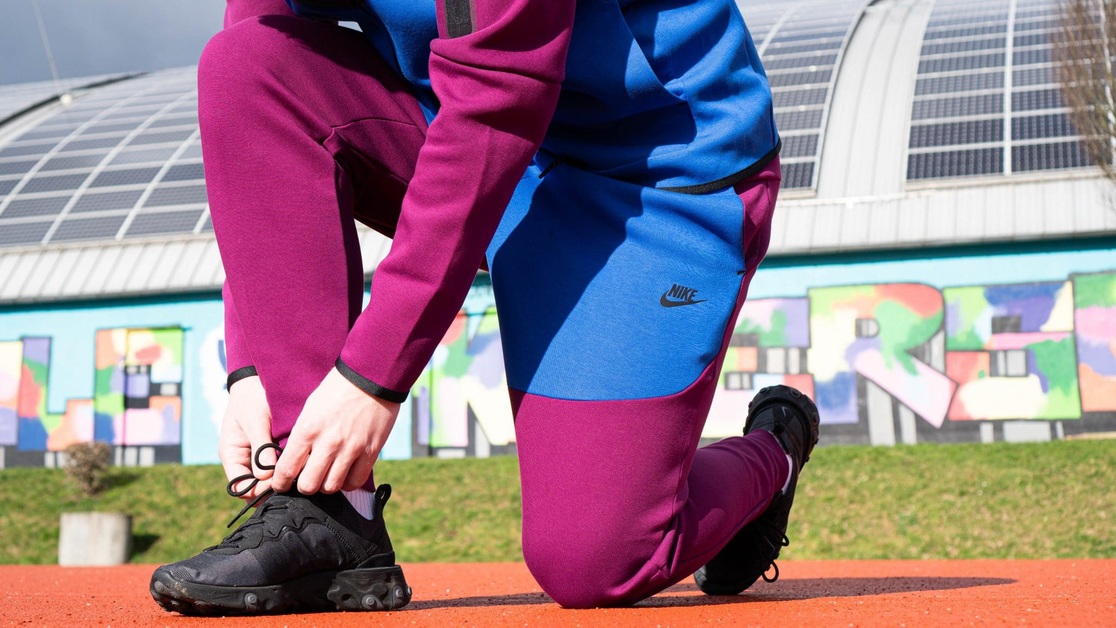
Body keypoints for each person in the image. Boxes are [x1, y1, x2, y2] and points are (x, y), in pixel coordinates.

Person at [149, 0, 820, 614]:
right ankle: (327, 511)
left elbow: (499, 100)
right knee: (248, 63)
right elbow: (253, 113)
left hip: (656, 173)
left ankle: (775, 450)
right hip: (461, 133)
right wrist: (252, 365)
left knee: (595, 562)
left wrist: (371, 378)